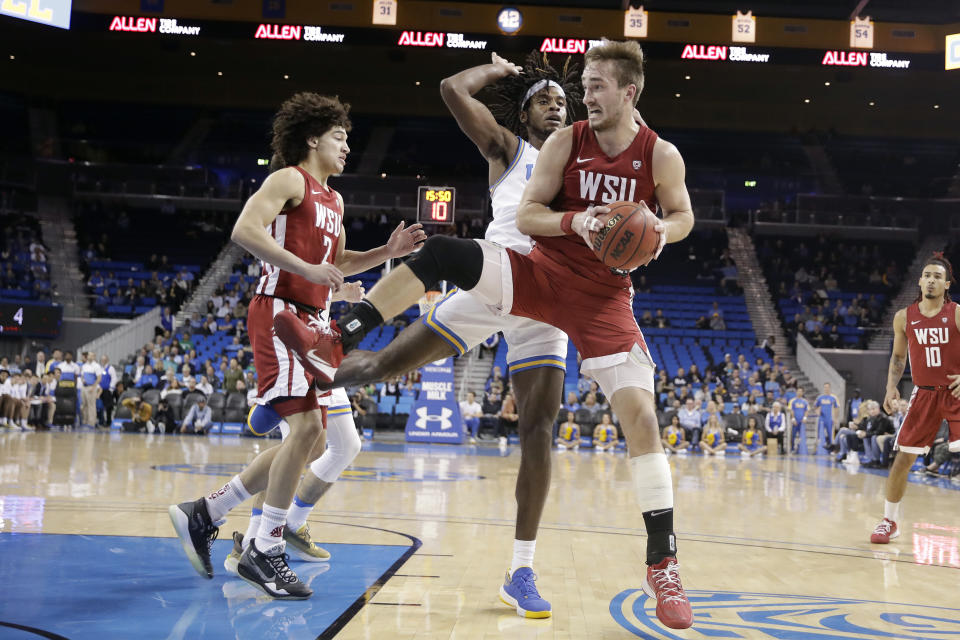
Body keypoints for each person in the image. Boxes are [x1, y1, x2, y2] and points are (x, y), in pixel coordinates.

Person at [275, 39, 695, 629]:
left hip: (587, 303)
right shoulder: (529, 146)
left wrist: (654, 228)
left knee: (578, 425)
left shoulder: (654, 152)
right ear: (524, 112)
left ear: (628, 92)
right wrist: (579, 219)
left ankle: (639, 565)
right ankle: (320, 361)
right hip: (521, 276)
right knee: (398, 336)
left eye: (584, 89)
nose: (570, 100)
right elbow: (524, 210)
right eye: (557, 94)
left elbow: (682, 216)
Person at [265, 51, 587, 619]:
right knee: (381, 366)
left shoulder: (583, 166)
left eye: (562, 101)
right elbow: (450, 89)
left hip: (547, 306)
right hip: (495, 282)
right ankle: (306, 380)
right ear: (525, 113)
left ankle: (522, 570)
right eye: (544, 100)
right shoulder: (512, 152)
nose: (556, 108)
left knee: (539, 431)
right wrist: (502, 73)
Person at [168, 92, 425, 600]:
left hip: (317, 327)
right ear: (313, 138)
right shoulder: (289, 179)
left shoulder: (335, 199)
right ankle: (265, 548)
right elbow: (244, 229)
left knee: (317, 438)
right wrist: (305, 270)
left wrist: (385, 252)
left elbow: (338, 261)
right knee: (306, 428)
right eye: (339, 136)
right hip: (280, 315)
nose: (348, 146)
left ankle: (207, 513)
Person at [873, 253, 960, 544]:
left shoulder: (957, 313)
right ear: (920, 281)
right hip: (923, 394)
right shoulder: (904, 317)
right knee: (902, 460)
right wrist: (890, 387)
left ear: (947, 284)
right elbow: (898, 357)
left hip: (956, 392)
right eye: (927, 275)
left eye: (938, 276)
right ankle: (890, 522)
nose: (931, 280)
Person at [812, 382, 839, 451]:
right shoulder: (820, 397)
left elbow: (836, 408)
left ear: (830, 388)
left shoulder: (833, 398)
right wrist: (817, 411)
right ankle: (817, 448)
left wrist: (835, 418)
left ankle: (831, 449)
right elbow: (815, 406)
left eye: (827, 387)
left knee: (830, 434)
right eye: (825, 387)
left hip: (830, 418)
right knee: (818, 433)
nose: (826, 389)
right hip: (821, 418)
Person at [79, 351, 102, 428]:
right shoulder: (84, 366)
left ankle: (91, 423)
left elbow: (99, 378)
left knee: (91, 405)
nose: (90, 357)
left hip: (91, 387)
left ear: (94, 357)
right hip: (84, 387)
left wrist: (94, 387)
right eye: (89, 355)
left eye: (92, 356)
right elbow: (82, 376)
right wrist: (83, 380)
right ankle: (85, 421)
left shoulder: (96, 366)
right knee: (84, 405)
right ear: (87, 356)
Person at [788, 387, 809, 453]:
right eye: (798, 391)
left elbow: (807, 410)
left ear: (802, 392)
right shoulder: (792, 401)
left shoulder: (805, 402)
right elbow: (791, 410)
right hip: (795, 421)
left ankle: (801, 448)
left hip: (802, 421)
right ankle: (792, 448)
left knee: (802, 435)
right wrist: (793, 418)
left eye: (801, 391)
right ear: (796, 392)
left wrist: (805, 418)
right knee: (793, 435)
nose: (799, 392)